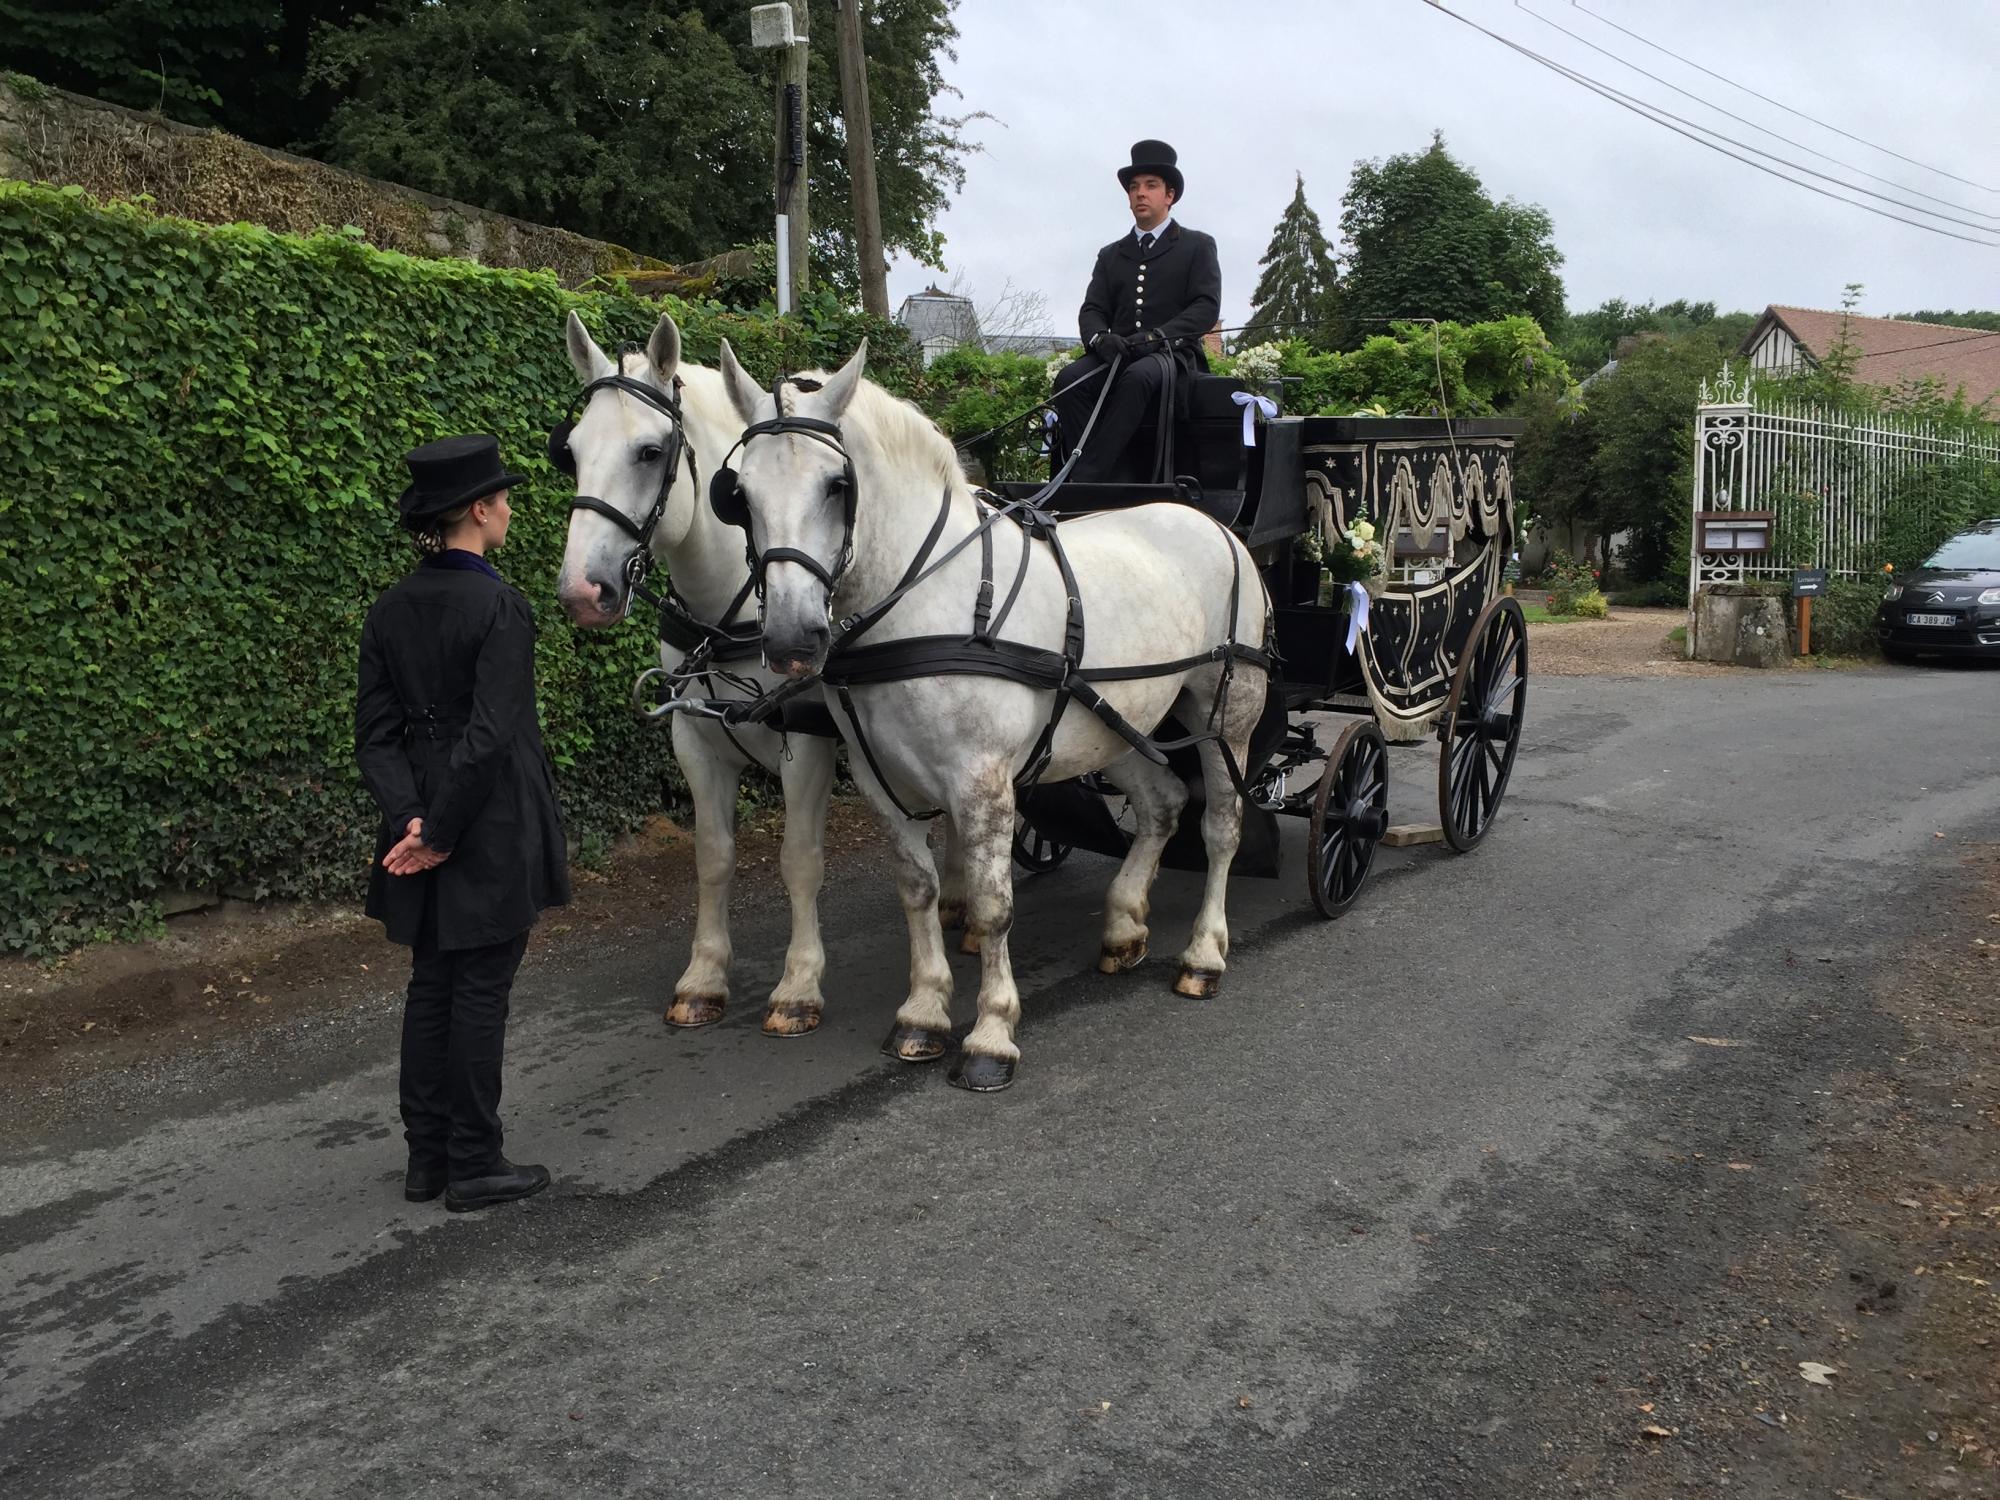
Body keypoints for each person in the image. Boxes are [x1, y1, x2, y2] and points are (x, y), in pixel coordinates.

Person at [355, 435, 571, 1212]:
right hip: (487, 824)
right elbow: (488, 738)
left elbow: (375, 740)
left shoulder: (388, 609)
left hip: (417, 822)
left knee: (431, 984)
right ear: (478, 511)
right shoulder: (500, 606)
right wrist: (442, 832)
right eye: (504, 500)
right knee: (479, 988)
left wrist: (411, 819)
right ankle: (475, 1163)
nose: (511, 511)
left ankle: (428, 1160)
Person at [1050, 139, 1222, 483]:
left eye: (1150, 186)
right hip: (1118, 352)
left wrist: (1157, 337)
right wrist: (1101, 339)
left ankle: (1087, 478)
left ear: (1169, 195)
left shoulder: (1197, 245)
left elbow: (1205, 306)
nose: (1140, 193)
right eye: (1134, 187)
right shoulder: (1111, 254)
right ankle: (1117, 473)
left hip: (1172, 356)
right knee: (1068, 381)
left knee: (1137, 378)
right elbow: (1093, 309)